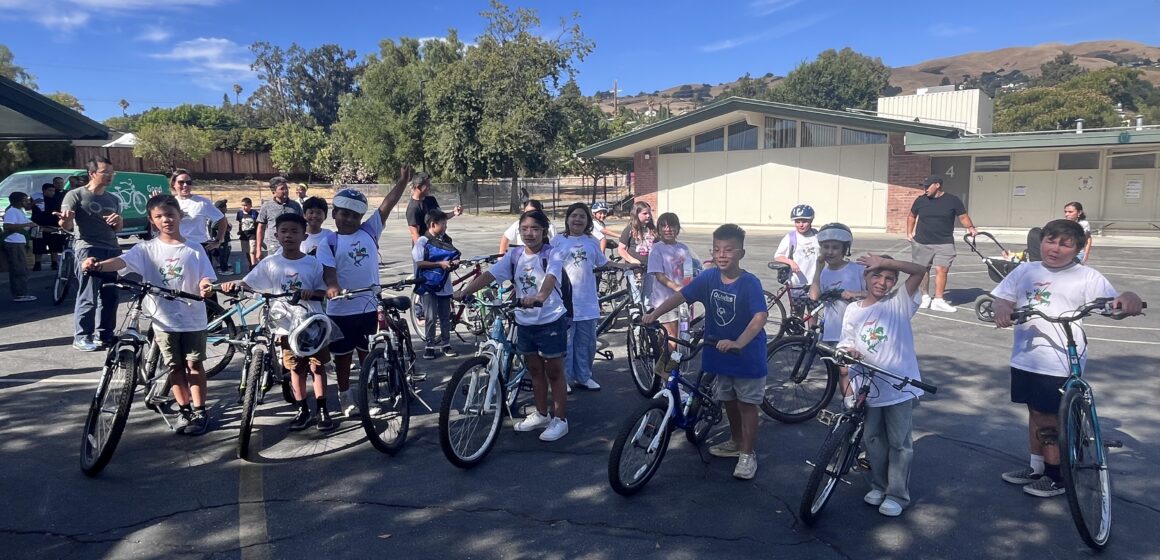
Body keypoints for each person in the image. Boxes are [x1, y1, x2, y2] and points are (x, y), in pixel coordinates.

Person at [992, 219, 1143, 498]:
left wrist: (1128, 299)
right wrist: (1001, 308)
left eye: (1065, 244)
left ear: (1077, 249)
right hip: (1025, 355)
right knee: (1035, 411)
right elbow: (1003, 297)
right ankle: (1037, 466)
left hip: (1059, 358)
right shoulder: (1025, 270)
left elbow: (1113, 306)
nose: (1055, 248)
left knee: (1049, 416)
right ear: (1041, 241)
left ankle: (1056, 475)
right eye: (1050, 240)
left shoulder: (1086, 276)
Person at [81, 194, 216, 435]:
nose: (166, 220)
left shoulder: (194, 249)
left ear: (180, 216)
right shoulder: (146, 248)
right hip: (163, 320)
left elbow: (206, 276)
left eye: (170, 215)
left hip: (193, 318)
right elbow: (121, 262)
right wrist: (98, 265)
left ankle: (200, 409)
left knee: (194, 364)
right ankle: (184, 409)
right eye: (159, 216)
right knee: (175, 366)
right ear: (152, 220)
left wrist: (205, 286)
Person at [643, 224, 769, 480]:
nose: (722, 255)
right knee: (729, 400)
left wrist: (739, 343)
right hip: (719, 353)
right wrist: (654, 314)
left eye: (729, 250)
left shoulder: (749, 283)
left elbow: (760, 316)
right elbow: (682, 296)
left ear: (741, 253)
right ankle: (735, 442)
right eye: (717, 249)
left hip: (746, 356)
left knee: (747, 405)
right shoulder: (709, 278)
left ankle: (747, 454)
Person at [455, 209, 571, 441]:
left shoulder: (553, 253)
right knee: (535, 369)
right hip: (524, 320)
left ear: (544, 232)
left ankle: (560, 420)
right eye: (525, 229)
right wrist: (465, 291)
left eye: (535, 229)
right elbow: (490, 275)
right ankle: (541, 414)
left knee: (554, 371)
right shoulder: (514, 255)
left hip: (550, 319)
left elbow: (550, 279)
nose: (529, 233)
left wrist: (539, 297)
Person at [223, 213, 337, 431]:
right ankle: (302, 408)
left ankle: (322, 408)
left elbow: (324, 291)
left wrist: (310, 293)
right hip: (285, 327)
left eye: (294, 231)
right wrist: (234, 285)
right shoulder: (270, 263)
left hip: (312, 325)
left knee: (317, 367)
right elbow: (249, 283)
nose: (289, 236)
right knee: (295, 369)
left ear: (304, 236)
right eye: (284, 231)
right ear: (275, 235)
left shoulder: (312, 264)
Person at [836, 255, 929, 516]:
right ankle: (879, 485)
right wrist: (848, 352)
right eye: (876, 275)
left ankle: (897, 494)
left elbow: (920, 270)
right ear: (865, 277)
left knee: (899, 443)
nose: (882, 281)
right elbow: (846, 340)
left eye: (889, 278)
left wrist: (886, 262)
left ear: (895, 282)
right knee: (873, 440)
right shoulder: (854, 310)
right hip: (868, 385)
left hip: (898, 388)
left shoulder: (900, 302)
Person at [318, 169, 411, 418]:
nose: (349, 219)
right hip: (341, 309)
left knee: (367, 355)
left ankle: (368, 395)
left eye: (355, 215)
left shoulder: (369, 231)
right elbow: (328, 272)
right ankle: (345, 395)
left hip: (369, 306)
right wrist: (332, 286)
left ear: (361, 217)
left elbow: (387, 204)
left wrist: (402, 181)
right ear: (335, 214)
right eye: (344, 214)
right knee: (342, 358)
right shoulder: (328, 242)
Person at [555, 202, 630, 391]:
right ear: (567, 219)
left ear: (588, 220)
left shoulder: (591, 241)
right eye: (574, 216)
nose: (577, 219)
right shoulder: (557, 240)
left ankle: (584, 376)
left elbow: (603, 261)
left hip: (587, 301)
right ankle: (564, 379)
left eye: (582, 216)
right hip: (564, 301)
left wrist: (624, 266)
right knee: (566, 343)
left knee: (586, 343)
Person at [58, 156, 123, 352]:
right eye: (105, 172)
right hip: (88, 248)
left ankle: (105, 335)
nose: (110, 176)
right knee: (88, 294)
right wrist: (65, 220)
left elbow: (118, 229)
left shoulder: (114, 199)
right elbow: (66, 225)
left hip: (112, 249)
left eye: (112, 173)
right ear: (92, 173)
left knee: (111, 295)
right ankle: (82, 336)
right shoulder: (75, 195)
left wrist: (118, 221)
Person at [809, 223, 866, 408]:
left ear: (845, 249)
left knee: (849, 370)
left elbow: (873, 295)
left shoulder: (857, 270)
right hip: (833, 331)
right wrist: (817, 269)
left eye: (835, 247)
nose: (830, 251)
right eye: (826, 247)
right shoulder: (823, 272)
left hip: (855, 330)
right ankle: (849, 405)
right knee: (843, 371)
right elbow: (814, 296)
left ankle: (858, 403)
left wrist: (854, 294)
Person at [906, 176, 978, 313]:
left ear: (937, 185)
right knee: (922, 270)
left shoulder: (952, 200)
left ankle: (938, 300)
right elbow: (911, 216)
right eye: (923, 186)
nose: (925, 189)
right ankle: (925, 297)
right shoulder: (920, 200)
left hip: (944, 242)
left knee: (942, 269)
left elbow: (962, 216)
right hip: (922, 242)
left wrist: (970, 228)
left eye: (927, 186)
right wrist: (909, 232)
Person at [412, 209, 461, 359]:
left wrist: (454, 263)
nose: (445, 227)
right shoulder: (422, 242)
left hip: (444, 284)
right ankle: (429, 345)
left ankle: (446, 344)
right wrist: (440, 264)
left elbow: (454, 256)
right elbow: (420, 263)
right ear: (433, 224)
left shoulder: (446, 240)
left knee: (445, 316)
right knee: (431, 316)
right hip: (428, 285)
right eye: (443, 224)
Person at [647, 212, 696, 354]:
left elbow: (688, 273)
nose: (668, 229)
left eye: (672, 225)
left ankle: (674, 367)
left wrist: (689, 290)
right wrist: (678, 288)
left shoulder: (683, 248)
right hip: (664, 301)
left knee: (683, 338)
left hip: (682, 300)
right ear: (658, 230)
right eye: (663, 226)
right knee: (672, 339)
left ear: (678, 229)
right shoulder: (657, 249)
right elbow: (660, 276)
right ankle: (666, 371)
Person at [172, 170, 227, 260]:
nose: (185, 185)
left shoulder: (202, 202)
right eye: (181, 182)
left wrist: (218, 240)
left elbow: (222, 220)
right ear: (174, 184)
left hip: (198, 248)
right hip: (176, 248)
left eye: (188, 182)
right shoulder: (170, 203)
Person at [773, 204, 820, 308]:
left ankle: (812, 325)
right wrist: (791, 262)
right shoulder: (791, 237)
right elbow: (778, 256)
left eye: (804, 221)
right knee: (798, 313)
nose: (801, 225)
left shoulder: (817, 236)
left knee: (813, 313)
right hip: (797, 283)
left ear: (811, 221)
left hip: (814, 282)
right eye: (797, 222)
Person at [254, 176, 302, 262]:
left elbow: (302, 226)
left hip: (293, 245)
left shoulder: (295, 206)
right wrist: (258, 249)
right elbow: (261, 228)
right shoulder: (266, 206)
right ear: (274, 192)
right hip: (274, 246)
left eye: (286, 188)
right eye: (282, 189)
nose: (286, 191)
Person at [618, 201, 657, 306]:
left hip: (650, 269)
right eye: (644, 213)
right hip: (635, 270)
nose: (648, 216)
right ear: (636, 214)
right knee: (636, 298)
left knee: (648, 298)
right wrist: (633, 261)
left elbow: (659, 247)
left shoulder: (653, 230)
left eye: (649, 213)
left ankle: (647, 319)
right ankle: (637, 318)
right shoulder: (629, 230)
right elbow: (621, 249)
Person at [405, 172, 462, 244]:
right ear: (419, 187)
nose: (429, 187)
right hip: (428, 248)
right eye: (427, 185)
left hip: (440, 244)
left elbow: (441, 217)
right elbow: (415, 234)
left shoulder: (431, 200)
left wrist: (454, 213)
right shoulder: (413, 208)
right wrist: (425, 250)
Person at [3, 191, 37, 302]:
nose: (27, 202)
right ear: (18, 201)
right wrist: (26, 225)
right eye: (24, 200)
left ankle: (21, 292)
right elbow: (7, 226)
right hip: (13, 243)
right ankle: (19, 294)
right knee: (18, 269)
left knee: (22, 268)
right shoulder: (12, 211)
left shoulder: (19, 211)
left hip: (20, 242)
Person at [31, 182, 65, 271]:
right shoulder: (37, 199)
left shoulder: (57, 199)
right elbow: (27, 207)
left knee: (54, 246)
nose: (52, 192)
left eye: (53, 191)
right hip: (39, 226)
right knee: (38, 246)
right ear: (44, 191)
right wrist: (33, 203)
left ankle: (54, 263)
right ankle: (37, 264)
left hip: (53, 226)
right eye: (49, 190)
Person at [236, 198, 259, 271]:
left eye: (245, 205)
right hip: (244, 235)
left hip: (252, 234)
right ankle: (250, 264)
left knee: (252, 251)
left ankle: (253, 266)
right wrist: (239, 231)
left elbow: (258, 224)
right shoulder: (240, 213)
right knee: (247, 251)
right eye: (242, 205)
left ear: (250, 205)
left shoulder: (254, 213)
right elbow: (240, 223)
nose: (243, 207)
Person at [210, 199, 232, 273]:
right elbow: (213, 227)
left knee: (226, 251)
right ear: (220, 209)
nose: (226, 209)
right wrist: (215, 236)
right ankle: (223, 269)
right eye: (225, 207)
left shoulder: (221, 216)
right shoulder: (218, 217)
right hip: (221, 238)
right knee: (223, 253)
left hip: (225, 236)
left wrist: (228, 226)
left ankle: (222, 264)